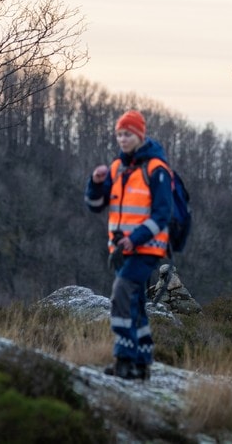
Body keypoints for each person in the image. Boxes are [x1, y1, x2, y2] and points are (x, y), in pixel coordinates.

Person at [84, 109, 175, 380]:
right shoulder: (117, 168)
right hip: (121, 250)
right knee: (135, 303)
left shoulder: (157, 170)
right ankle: (143, 362)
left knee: (121, 293)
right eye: (119, 134)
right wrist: (95, 183)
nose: (122, 139)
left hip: (145, 249)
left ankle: (124, 358)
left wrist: (134, 239)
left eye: (128, 134)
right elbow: (95, 205)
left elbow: (162, 214)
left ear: (139, 135)